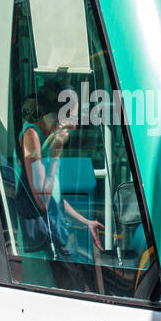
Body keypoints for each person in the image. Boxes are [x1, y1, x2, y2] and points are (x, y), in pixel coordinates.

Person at [18, 82, 104, 257]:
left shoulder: (44, 140)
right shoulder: (31, 136)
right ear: (55, 114)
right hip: (36, 243)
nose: (74, 126)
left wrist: (85, 222)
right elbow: (43, 200)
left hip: (46, 238)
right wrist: (56, 153)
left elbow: (54, 197)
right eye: (71, 118)